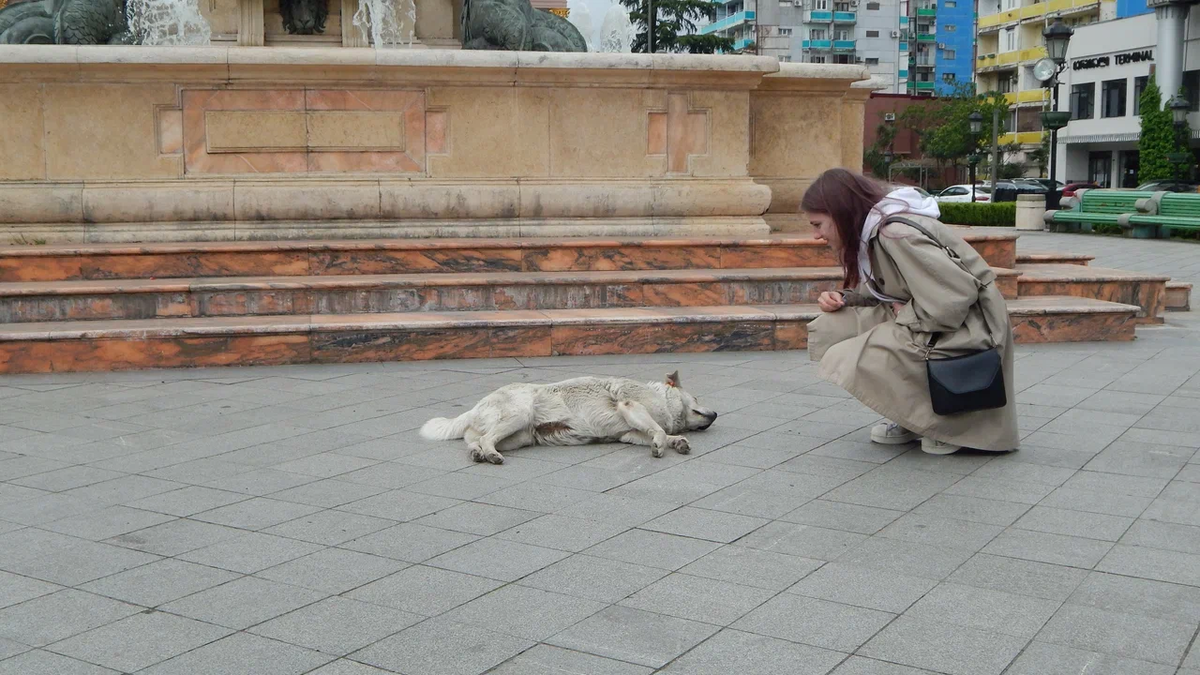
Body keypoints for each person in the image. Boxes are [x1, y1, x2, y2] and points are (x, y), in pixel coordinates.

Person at [802, 168, 1019, 455]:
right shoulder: (878, 229)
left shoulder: (896, 234)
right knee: (832, 329)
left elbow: (953, 298)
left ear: (840, 212)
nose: (816, 235)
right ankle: (913, 417)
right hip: (937, 317)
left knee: (854, 356)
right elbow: (891, 286)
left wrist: (905, 315)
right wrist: (844, 297)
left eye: (818, 224)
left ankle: (947, 426)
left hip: (969, 326)